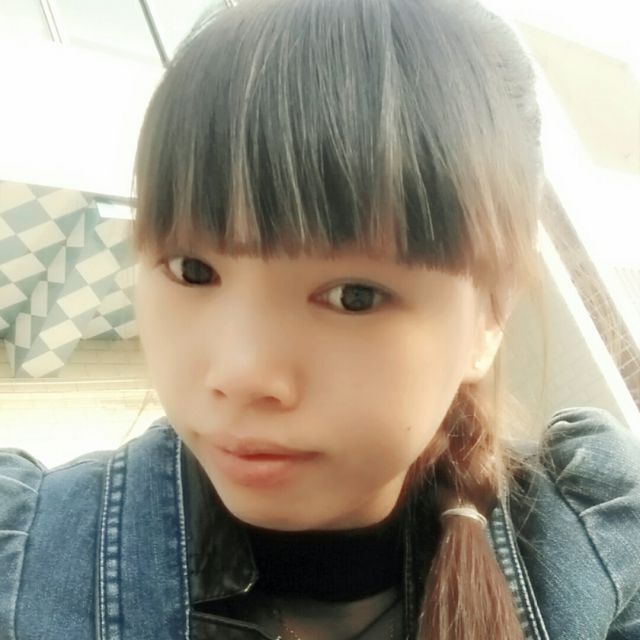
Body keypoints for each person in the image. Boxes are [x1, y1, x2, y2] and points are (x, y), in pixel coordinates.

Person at [1, 0, 640, 638]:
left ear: (489, 319)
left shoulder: (597, 545)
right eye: (193, 270)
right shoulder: (24, 560)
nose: (241, 375)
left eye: (354, 296)